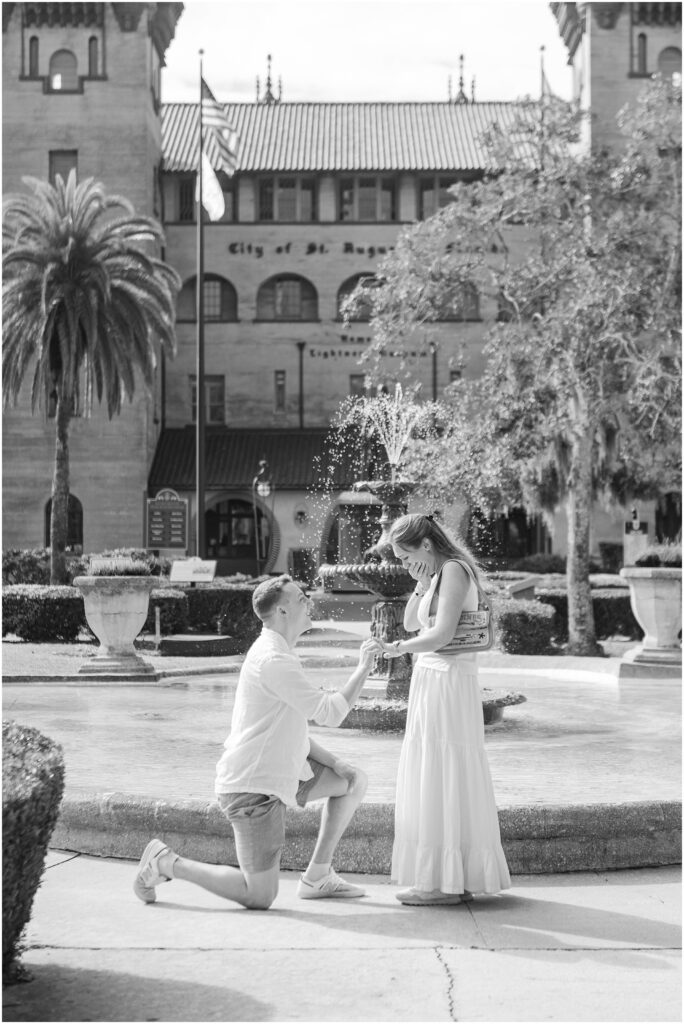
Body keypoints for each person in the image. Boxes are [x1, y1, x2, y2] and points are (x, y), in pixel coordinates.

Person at [134, 575, 378, 910]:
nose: (309, 601)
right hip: (253, 787)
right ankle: (165, 862)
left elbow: (289, 730)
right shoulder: (273, 660)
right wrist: (363, 668)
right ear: (281, 611)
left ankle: (318, 876)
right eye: (301, 598)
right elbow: (330, 712)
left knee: (352, 780)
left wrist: (337, 764)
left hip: (282, 774)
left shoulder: (280, 653)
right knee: (259, 895)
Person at [377, 513, 511, 906]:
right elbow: (409, 621)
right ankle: (452, 879)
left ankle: (439, 885)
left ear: (426, 544)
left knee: (442, 773)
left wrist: (397, 650)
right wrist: (420, 584)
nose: (404, 564)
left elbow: (441, 634)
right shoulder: (435, 575)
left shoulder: (453, 570)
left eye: (406, 556)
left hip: (447, 681)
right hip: (433, 678)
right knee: (439, 773)